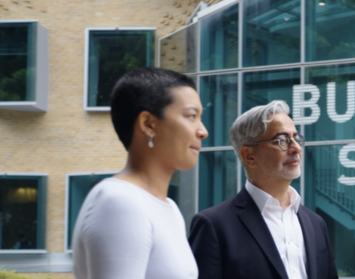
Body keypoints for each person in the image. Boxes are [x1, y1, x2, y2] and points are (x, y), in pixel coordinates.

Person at [73, 67, 207, 278]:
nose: (203, 131)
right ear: (148, 124)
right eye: (191, 116)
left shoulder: (169, 208)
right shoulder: (119, 201)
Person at [188, 100, 338, 279]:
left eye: (296, 138)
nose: (296, 148)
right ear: (249, 155)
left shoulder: (316, 223)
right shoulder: (213, 225)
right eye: (282, 140)